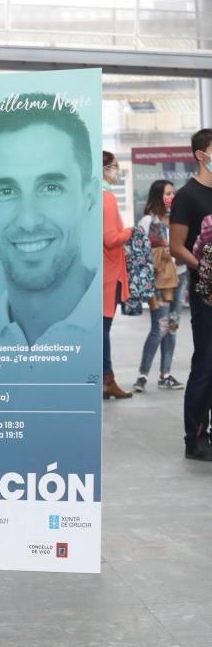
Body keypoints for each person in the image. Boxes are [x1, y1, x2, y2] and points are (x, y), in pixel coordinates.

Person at [0, 94, 101, 384]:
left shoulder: (102, 333)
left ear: (89, 197)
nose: (28, 220)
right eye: (6, 191)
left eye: (50, 187)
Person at [169, 127, 212, 461]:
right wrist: (204, 265)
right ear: (202, 155)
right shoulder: (187, 197)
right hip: (205, 293)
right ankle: (194, 438)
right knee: (206, 364)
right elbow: (175, 247)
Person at [133, 180, 184, 392]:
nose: (171, 197)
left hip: (179, 278)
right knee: (159, 327)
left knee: (172, 327)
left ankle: (166, 374)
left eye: (173, 193)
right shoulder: (147, 221)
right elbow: (138, 252)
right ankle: (142, 375)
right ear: (157, 196)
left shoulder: (177, 219)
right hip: (158, 283)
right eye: (167, 193)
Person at [98, 151, 133, 399]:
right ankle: (107, 380)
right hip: (108, 274)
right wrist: (130, 232)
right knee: (103, 329)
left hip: (96, 272)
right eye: (114, 167)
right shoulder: (106, 198)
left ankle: (104, 378)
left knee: (99, 329)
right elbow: (111, 239)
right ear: (103, 169)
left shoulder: (87, 196)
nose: (117, 172)